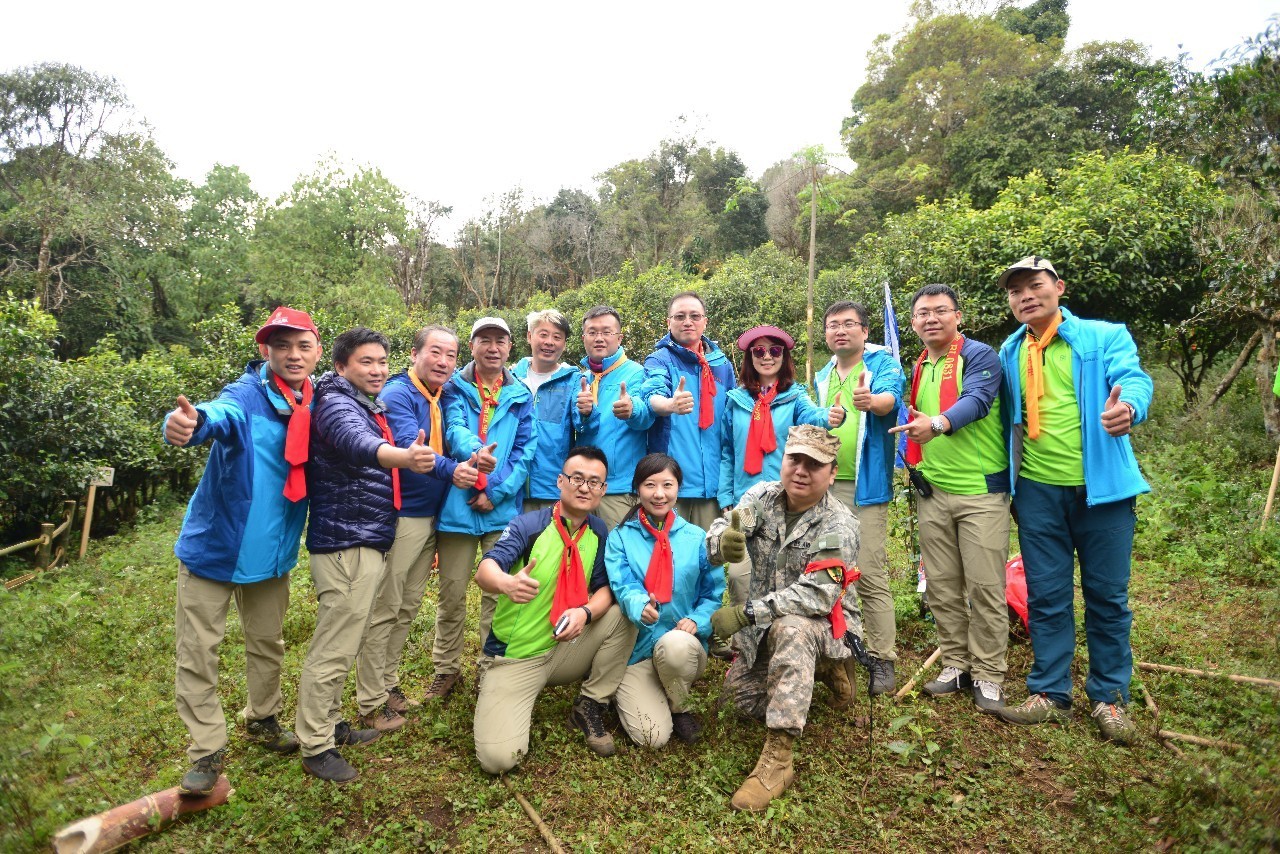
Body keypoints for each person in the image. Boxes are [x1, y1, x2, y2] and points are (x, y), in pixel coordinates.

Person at [994, 256, 1153, 744]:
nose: (1026, 296)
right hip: (1038, 491)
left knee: (1107, 597)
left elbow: (1136, 379)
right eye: (1016, 290)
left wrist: (1128, 408)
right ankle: (1050, 692)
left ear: (1058, 287)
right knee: (1047, 594)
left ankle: (1108, 698)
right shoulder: (1010, 350)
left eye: (1035, 286)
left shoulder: (1103, 337)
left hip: (1101, 492)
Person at [162, 307, 321, 796]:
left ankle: (263, 716)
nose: (292, 355)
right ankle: (206, 748)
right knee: (198, 650)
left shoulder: (319, 401)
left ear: (316, 350)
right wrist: (189, 421)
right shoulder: (246, 395)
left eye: (302, 346)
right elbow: (218, 415)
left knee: (267, 643)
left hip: (272, 555)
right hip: (215, 548)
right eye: (282, 346)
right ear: (265, 351)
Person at [298, 327, 437, 783]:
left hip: (363, 535)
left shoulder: (359, 400)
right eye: (365, 362)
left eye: (381, 361)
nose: (377, 370)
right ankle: (316, 744)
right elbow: (357, 443)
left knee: (347, 636)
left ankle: (333, 724)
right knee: (334, 645)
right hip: (346, 540)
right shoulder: (338, 403)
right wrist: (400, 456)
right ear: (340, 366)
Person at [706, 425, 861, 812]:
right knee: (738, 706)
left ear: (831, 471)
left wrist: (746, 613)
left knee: (792, 626)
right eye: (795, 459)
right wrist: (721, 541)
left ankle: (778, 760)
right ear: (784, 460)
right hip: (767, 631)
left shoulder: (838, 524)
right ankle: (821, 672)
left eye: (815, 464)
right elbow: (730, 523)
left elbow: (817, 594)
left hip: (824, 627)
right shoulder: (763, 496)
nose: (801, 471)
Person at [472, 446, 639, 774]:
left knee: (624, 614)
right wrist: (507, 583)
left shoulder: (598, 530)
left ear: (603, 490)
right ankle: (496, 687)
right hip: (517, 658)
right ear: (560, 481)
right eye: (577, 478)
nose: (584, 487)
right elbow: (485, 570)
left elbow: (605, 589)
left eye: (594, 482)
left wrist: (585, 614)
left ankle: (590, 702)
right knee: (499, 760)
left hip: (564, 647)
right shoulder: (528, 526)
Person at [890, 284, 1010, 715]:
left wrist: (938, 424)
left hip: (980, 493)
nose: (931, 319)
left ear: (959, 316)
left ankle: (989, 672)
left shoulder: (979, 356)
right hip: (934, 492)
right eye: (922, 313)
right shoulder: (922, 363)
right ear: (913, 323)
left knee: (984, 586)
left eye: (940, 311)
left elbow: (977, 402)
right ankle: (956, 663)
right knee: (941, 585)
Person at [354, 326, 480, 722]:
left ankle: (387, 683)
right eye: (435, 353)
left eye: (451, 355)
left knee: (407, 605)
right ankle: (371, 700)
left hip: (431, 515)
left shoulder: (444, 394)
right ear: (414, 354)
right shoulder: (398, 394)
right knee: (388, 605)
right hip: (403, 514)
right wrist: (454, 470)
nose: (443, 362)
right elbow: (414, 450)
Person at [429, 317, 537, 701]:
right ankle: (446, 669)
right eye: (484, 340)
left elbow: (525, 451)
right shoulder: (454, 387)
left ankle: (492, 666)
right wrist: (475, 455)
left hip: (500, 508)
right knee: (452, 592)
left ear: (510, 348)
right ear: (472, 346)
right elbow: (454, 428)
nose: (493, 348)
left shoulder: (521, 394)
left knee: (499, 592)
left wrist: (495, 491)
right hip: (457, 505)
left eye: (500, 341)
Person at [813, 301, 904, 695]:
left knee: (869, 571)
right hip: (826, 487)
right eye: (833, 325)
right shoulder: (822, 374)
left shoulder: (882, 365)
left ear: (865, 331)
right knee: (829, 567)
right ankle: (835, 649)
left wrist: (871, 401)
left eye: (850, 324)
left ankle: (882, 658)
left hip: (865, 486)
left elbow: (889, 400)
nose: (841, 331)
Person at [606, 454, 725, 747]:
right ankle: (636, 690)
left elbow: (713, 594)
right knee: (651, 738)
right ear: (637, 489)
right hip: (638, 650)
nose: (659, 494)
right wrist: (638, 606)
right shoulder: (620, 537)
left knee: (674, 647)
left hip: (681, 646)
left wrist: (697, 621)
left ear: (678, 488)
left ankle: (679, 705)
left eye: (667, 485)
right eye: (650, 485)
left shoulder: (697, 537)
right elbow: (622, 585)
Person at [720, 324, 843, 606]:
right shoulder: (736, 401)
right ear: (750, 357)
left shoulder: (795, 397)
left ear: (783, 357)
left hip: (784, 500)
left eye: (774, 350)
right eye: (759, 350)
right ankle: (744, 637)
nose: (767, 356)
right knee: (741, 577)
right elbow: (728, 451)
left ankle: (778, 637)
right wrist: (725, 496)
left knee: (781, 574)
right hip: (747, 498)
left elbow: (815, 416)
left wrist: (833, 416)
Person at [641, 292, 736, 531]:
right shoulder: (659, 360)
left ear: (705, 321)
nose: (687, 322)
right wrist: (670, 405)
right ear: (668, 322)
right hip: (672, 486)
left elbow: (730, 423)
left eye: (695, 316)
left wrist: (728, 485)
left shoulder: (722, 365)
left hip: (713, 486)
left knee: (712, 557)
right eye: (680, 316)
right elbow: (652, 393)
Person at [574, 305, 655, 528]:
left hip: (618, 490)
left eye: (606, 332)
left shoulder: (636, 373)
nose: (599, 338)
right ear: (584, 338)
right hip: (582, 488)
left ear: (619, 338)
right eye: (592, 332)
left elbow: (646, 415)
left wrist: (631, 410)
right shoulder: (581, 379)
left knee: (617, 557)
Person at [512, 309, 578, 513]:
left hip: (553, 489)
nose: (549, 342)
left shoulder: (573, 380)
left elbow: (584, 425)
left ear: (564, 344)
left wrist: (587, 413)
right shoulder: (510, 379)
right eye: (543, 334)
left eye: (557, 337)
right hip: (511, 488)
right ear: (529, 336)